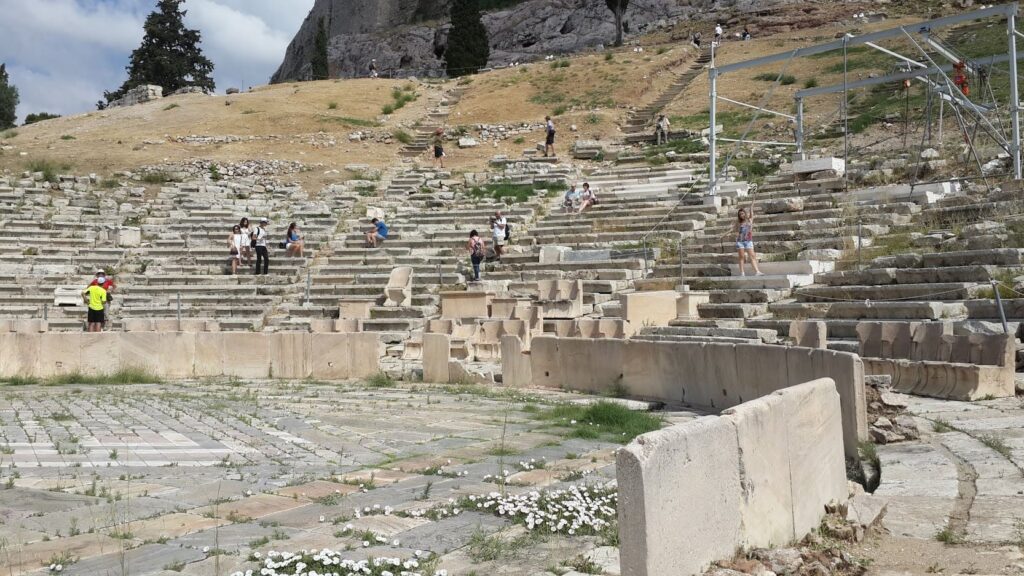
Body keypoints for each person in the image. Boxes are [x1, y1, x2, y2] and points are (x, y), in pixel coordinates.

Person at [726, 200, 764, 276]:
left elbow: (751, 210)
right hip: (740, 241)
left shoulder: (750, 220)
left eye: (742, 213)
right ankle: (742, 273)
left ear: (745, 214)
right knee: (741, 257)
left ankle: (757, 272)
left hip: (748, 241)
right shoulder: (738, 223)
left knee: (752, 256)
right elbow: (732, 230)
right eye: (740, 214)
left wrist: (752, 203)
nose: (741, 215)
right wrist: (723, 235)